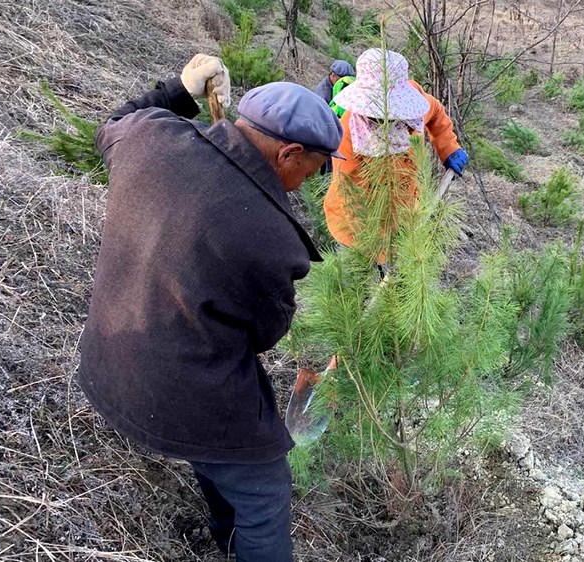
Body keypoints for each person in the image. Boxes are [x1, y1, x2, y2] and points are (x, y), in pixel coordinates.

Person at [78, 54, 343, 562]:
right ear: (289, 153)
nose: (310, 181)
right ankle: (239, 537)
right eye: (312, 170)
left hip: (107, 364)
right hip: (178, 395)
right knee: (265, 491)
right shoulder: (274, 240)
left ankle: (228, 537)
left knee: (223, 449)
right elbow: (263, 335)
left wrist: (179, 90)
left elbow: (112, 123)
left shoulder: (149, 138)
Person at [323, 48, 468, 251]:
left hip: (406, 211)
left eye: (394, 115)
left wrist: (449, 148)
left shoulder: (413, 107)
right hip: (357, 229)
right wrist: (380, 248)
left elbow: (435, 112)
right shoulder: (349, 134)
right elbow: (350, 198)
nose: (387, 120)